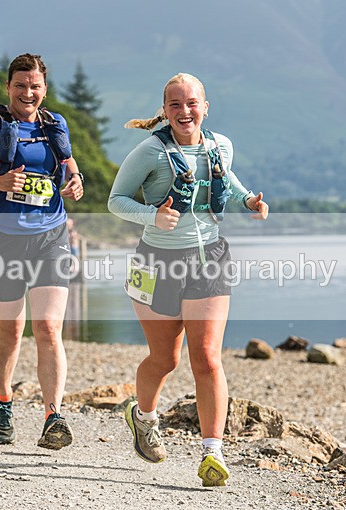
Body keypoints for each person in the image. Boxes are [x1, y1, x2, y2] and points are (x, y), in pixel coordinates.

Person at [107, 73, 268, 486]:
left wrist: (248, 198)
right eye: (175, 105)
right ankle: (142, 417)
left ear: (205, 106)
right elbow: (116, 200)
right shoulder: (149, 152)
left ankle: (212, 453)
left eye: (191, 103)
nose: (184, 111)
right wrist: (152, 215)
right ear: (164, 110)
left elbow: (225, 180)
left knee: (208, 357)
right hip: (156, 262)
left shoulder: (221, 145)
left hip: (210, 258)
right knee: (165, 359)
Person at [0, 53, 84, 450]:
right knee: (11, 329)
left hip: (51, 236)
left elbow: (71, 166)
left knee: (48, 327)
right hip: (2, 238)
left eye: (35, 86)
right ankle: (3, 398)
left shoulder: (55, 124)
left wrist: (76, 182)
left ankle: (53, 416)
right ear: (8, 88)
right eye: (21, 85)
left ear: (44, 89)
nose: (28, 92)